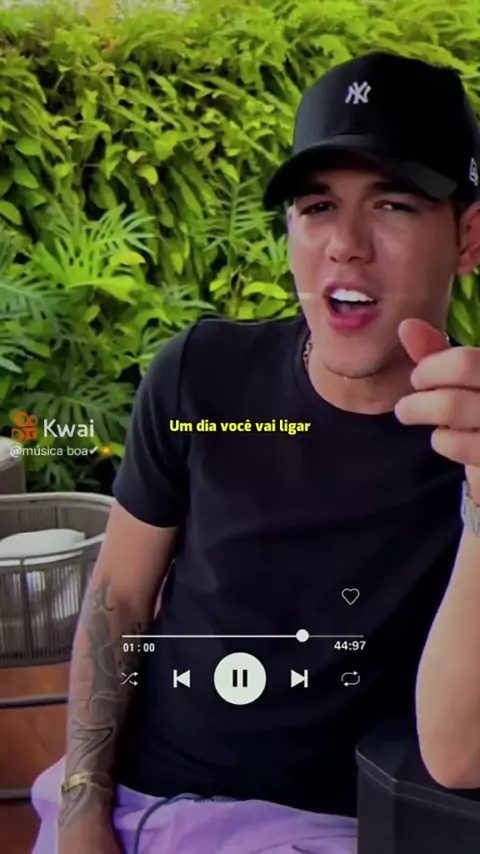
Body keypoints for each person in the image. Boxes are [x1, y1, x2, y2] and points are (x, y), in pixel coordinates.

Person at [31, 50, 480, 854]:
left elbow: (460, 752)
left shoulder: (470, 439)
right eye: (317, 206)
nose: (345, 244)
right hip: (136, 805)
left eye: (393, 205)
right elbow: (120, 599)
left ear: (468, 236)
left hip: (335, 829)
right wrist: (81, 809)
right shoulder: (200, 375)